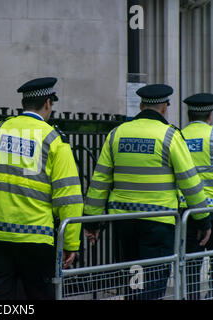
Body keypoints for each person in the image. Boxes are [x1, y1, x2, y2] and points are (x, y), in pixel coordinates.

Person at [84, 84, 211, 300]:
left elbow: (100, 180)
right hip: (158, 222)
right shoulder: (169, 136)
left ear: (141, 106)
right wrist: (202, 219)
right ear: (164, 108)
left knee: (133, 281)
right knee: (153, 285)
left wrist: (92, 221)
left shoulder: (117, 133)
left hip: (124, 221)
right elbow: (189, 182)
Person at [0, 77, 83, 300]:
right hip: (35, 236)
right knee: (39, 294)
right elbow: (68, 196)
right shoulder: (53, 139)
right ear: (48, 103)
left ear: (24, 103)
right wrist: (71, 242)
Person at [179, 93, 213, 299]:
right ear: (210, 115)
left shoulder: (177, 136)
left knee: (190, 265)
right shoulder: (211, 136)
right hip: (211, 208)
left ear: (188, 114)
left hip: (186, 211)